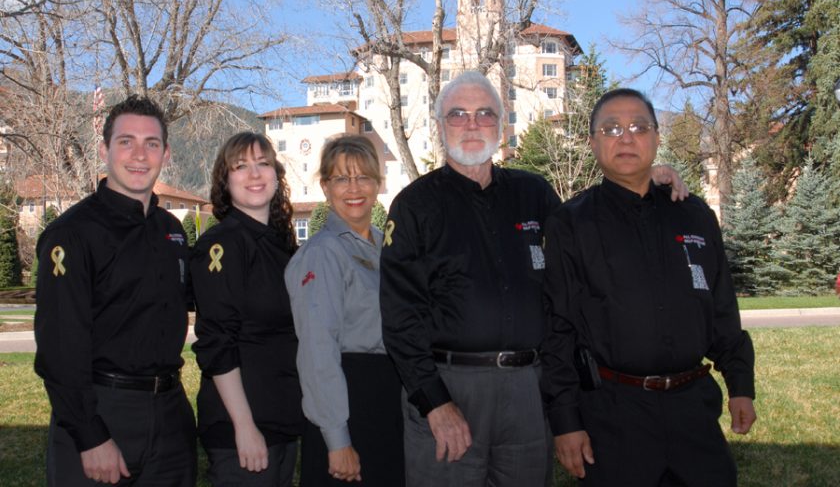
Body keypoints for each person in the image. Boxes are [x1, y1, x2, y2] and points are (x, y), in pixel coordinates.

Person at [379, 72, 688, 487]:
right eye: (458, 115)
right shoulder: (414, 205)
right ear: (440, 126)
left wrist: (644, 180)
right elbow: (400, 318)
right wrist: (435, 403)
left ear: (502, 124)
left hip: (528, 392)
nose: (472, 125)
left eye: (485, 114)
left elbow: (593, 225)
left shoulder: (534, 193)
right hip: (450, 388)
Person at [541, 88, 757, 486]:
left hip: (693, 409)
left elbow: (722, 308)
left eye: (639, 127)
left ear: (657, 138)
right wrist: (565, 421)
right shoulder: (571, 224)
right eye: (611, 128)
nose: (626, 137)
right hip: (613, 414)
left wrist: (741, 385)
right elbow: (558, 329)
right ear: (593, 143)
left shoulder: (694, 215)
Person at [34, 95, 196, 486]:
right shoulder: (72, 234)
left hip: (170, 414)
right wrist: (90, 436)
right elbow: (61, 348)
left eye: (151, 143)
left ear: (166, 153)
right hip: (102, 411)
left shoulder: (170, 231)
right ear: (105, 150)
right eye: (126, 141)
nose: (139, 154)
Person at [285, 134, 403, 486]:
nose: (354, 188)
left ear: (378, 184)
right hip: (349, 405)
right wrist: (337, 440)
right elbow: (318, 351)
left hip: (386, 402)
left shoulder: (386, 247)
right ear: (325, 186)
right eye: (341, 178)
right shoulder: (323, 253)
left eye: (363, 176)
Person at [191, 132, 304, 486]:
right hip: (243, 430)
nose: (254, 174)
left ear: (276, 174)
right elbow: (216, 343)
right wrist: (244, 427)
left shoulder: (281, 244)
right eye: (241, 167)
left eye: (263, 164)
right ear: (225, 181)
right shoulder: (222, 245)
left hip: (283, 420)